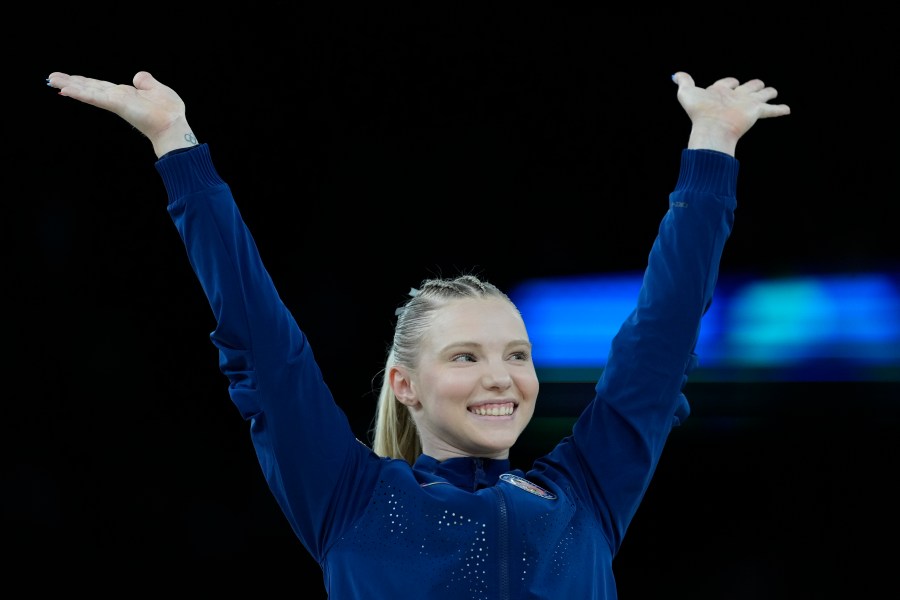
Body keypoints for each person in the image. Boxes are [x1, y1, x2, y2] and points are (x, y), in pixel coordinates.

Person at [46, 68, 789, 598]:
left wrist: (712, 149)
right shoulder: (350, 497)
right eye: (466, 356)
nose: (501, 376)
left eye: (516, 355)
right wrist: (178, 146)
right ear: (405, 385)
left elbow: (659, 344)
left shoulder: (585, 492)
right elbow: (265, 350)